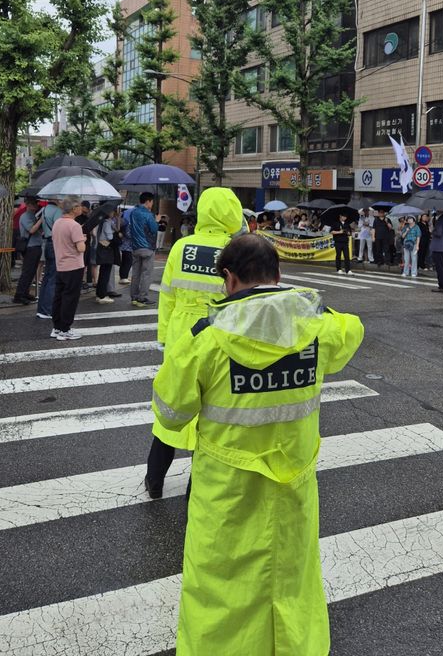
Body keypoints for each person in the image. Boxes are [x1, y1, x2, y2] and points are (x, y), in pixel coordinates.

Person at [151, 233, 364, 655]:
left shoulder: (206, 338)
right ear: (279, 275)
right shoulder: (316, 327)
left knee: (221, 583)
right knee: (290, 575)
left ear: (228, 279)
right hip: (294, 483)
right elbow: (351, 329)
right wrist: (308, 305)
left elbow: (171, 412)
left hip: (227, 490)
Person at [145, 187, 243, 499]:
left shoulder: (181, 247)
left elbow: (167, 295)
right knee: (211, 410)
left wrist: (163, 337)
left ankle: (155, 480)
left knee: (173, 402)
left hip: (181, 331)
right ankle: (194, 488)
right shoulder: (236, 250)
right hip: (218, 332)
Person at [50, 196, 87, 341]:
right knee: (70, 298)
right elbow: (81, 248)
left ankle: (57, 327)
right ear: (74, 209)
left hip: (61, 265)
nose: (81, 208)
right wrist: (83, 239)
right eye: (79, 206)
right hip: (74, 266)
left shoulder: (57, 223)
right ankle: (65, 329)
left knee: (59, 297)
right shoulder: (74, 225)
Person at [130, 192, 160, 307]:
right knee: (146, 274)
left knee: (135, 273)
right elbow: (153, 230)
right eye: (152, 202)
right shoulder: (148, 214)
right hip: (147, 247)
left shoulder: (134, 212)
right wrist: (156, 220)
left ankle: (134, 297)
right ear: (148, 201)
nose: (152, 204)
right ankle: (142, 297)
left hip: (135, 247)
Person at [35, 196, 63, 321]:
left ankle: (42, 308)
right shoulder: (57, 211)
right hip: (55, 243)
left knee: (47, 278)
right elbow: (59, 230)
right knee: (53, 278)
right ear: (57, 199)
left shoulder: (45, 209)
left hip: (47, 242)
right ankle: (48, 309)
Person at [13, 197, 44, 305]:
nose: (36, 205)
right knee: (27, 272)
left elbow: (38, 230)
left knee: (31, 272)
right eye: (34, 203)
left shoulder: (33, 215)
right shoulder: (25, 216)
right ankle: (19, 295)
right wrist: (41, 220)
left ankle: (25, 292)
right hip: (30, 247)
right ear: (28, 205)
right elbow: (31, 229)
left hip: (36, 245)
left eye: (36, 203)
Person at [75, 201, 93, 289]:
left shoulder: (88, 217)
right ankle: (78, 281)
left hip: (87, 242)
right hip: (80, 242)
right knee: (80, 262)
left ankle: (82, 280)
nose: (86, 211)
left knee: (85, 263)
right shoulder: (76, 218)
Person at [118, 206, 133, 285]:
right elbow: (128, 234)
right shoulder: (127, 223)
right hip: (127, 246)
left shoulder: (123, 221)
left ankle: (123, 277)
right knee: (128, 261)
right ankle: (123, 277)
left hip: (125, 245)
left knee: (125, 261)